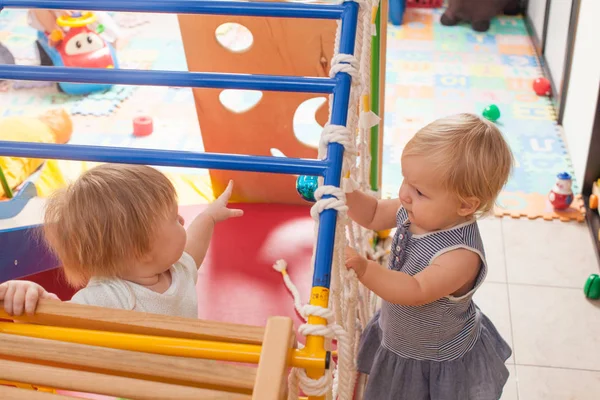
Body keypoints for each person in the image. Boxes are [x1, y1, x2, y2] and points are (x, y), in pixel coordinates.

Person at [344, 113, 514, 399]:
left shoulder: (460, 256)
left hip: (430, 360)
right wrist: (344, 191)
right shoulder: (415, 209)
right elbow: (373, 213)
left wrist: (365, 269)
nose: (404, 194)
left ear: (464, 205)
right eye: (405, 181)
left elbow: (416, 290)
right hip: (399, 335)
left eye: (419, 190)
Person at [0, 164, 242, 318]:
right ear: (141, 250)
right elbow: (62, 318)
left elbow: (193, 251)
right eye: (172, 218)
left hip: (194, 373)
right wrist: (33, 297)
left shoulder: (177, 270)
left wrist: (209, 217)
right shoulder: (110, 296)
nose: (181, 219)